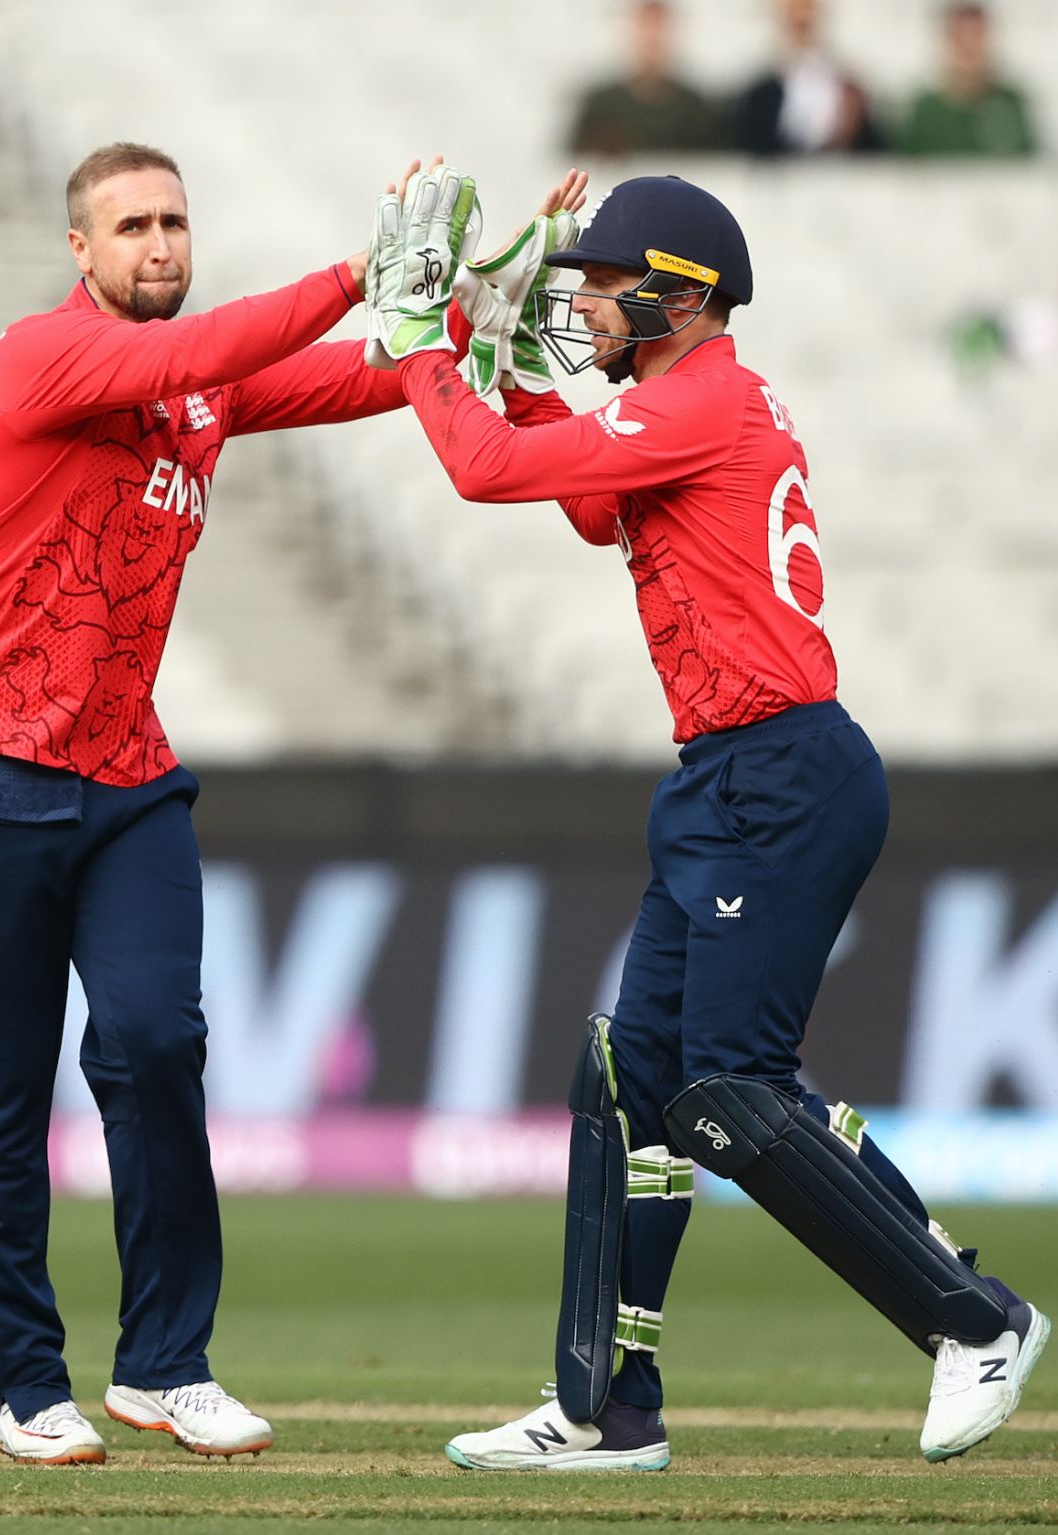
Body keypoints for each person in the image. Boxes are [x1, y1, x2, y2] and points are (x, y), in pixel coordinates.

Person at [363, 164, 1050, 1470]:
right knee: (637, 1075)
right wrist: (509, 362)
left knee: (731, 1088)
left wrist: (419, 351)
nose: (593, 312)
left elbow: (481, 472)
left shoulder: (709, 398)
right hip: (732, 770)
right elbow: (580, 503)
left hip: (779, 771)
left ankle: (978, 1317)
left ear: (680, 296)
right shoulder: (689, 400)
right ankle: (604, 1404)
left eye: (609, 291)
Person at [0, 140, 450, 1467]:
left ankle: (164, 1362)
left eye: (175, 223)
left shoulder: (196, 392)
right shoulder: (46, 353)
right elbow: (205, 355)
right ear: (81, 251)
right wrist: (358, 272)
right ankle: (28, 1380)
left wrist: (478, 318)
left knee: (155, 1041)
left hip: (127, 775)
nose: (159, 242)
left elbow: (361, 378)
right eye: (132, 225)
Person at [565, 0, 725, 157]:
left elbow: (713, 164)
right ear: (631, 34)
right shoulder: (600, 104)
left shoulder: (695, 107)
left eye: (659, 30)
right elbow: (574, 162)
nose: (651, 39)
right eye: (645, 29)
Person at [733, 0, 884, 156]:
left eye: (809, 24)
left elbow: (872, 152)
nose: (804, 35)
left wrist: (851, 125)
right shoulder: (760, 96)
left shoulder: (849, 93)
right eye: (797, 25)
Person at [899, 3, 1038, 158]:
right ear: (947, 42)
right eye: (961, 38)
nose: (970, 47)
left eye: (977, 36)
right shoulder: (926, 111)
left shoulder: (1011, 103)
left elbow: (1027, 168)